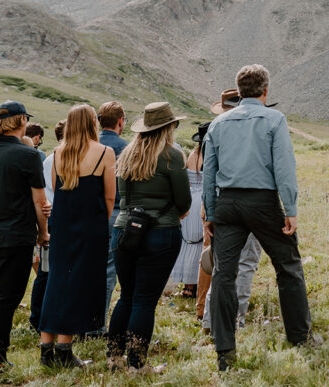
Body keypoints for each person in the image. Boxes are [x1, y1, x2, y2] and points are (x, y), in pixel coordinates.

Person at [203, 65, 317, 371]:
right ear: (265, 91)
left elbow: (209, 171)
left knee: (224, 275)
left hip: (227, 203)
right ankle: (299, 337)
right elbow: (284, 166)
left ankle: (224, 350)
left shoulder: (219, 123)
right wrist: (290, 209)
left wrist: (210, 212)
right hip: (263, 202)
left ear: (238, 92)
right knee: (288, 266)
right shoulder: (274, 119)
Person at [106, 102, 190, 371]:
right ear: (168, 127)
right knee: (144, 301)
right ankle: (137, 364)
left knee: (127, 296)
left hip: (124, 230)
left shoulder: (126, 154)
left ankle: (114, 358)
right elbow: (184, 201)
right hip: (160, 233)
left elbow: (122, 197)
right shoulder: (172, 156)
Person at [39, 103, 115, 368]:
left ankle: (46, 350)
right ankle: (64, 350)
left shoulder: (58, 153)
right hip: (90, 227)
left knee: (56, 283)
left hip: (61, 227)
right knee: (78, 286)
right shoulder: (105, 153)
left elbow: (58, 193)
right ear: (92, 122)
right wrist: (97, 223)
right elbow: (109, 196)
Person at [0, 101, 50, 373]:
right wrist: (43, 233)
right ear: (22, 121)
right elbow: (39, 202)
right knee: (6, 298)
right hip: (16, 238)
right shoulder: (29, 156)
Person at [200, 91, 264, 333]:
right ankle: (235, 320)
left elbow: (208, 175)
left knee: (221, 267)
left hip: (221, 207)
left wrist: (208, 212)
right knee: (246, 263)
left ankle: (210, 320)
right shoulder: (255, 132)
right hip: (251, 206)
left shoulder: (214, 131)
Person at [30, 119, 65, 333]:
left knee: (46, 270)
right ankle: (41, 316)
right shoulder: (58, 159)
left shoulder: (49, 158)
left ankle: (38, 316)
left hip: (50, 217)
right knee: (48, 271)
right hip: (56, 218)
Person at [97, 101, 129, 333]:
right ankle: (98, 323)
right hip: (116, 211)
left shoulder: (88, 145)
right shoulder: (125, 148)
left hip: (89, 213)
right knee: (108, 269)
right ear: (120, 121)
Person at [170, 122, 208, 297]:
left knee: (189, 241)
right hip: (202, 199)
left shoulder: (193, 153)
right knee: (200, 242)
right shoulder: (210, 155)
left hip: (190, 198)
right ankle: (196, 285)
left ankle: (188, 286)